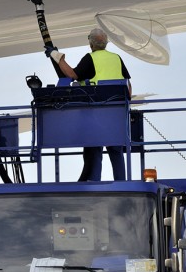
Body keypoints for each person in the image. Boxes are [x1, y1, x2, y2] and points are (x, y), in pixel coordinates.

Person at [45, 28, 132, 181]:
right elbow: (128, 85)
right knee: (116, 150)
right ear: (105, 43)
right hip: (116, 112)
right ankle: (122, 182)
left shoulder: (90, 58)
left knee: (94, 149)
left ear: (91, 43)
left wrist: (58, 58)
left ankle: (94, 182)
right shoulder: (116, 58)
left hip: (96, 111)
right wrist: (125, 103)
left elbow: (72, 75)